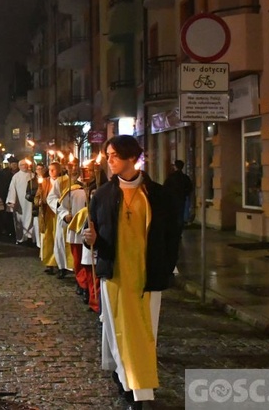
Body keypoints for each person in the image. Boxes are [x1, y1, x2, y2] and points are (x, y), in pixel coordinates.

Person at [83, 135, 179, 409]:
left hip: (148, 276)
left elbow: (172, 235)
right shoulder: (101, 195)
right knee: (120, 332)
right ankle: (138, 390)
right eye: (108, 155)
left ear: (130, 157)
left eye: (113, 155)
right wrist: (92, 239)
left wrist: (169, 266)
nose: (109, 160)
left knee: (145, 334)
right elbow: (100, 238)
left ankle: (129, 381)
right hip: (116, 276)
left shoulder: (158, 195)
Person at [34, 162, 59, 275]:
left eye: (53, 169)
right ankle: (50, 263)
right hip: (47, 214)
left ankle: (60, 264)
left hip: (59, 214)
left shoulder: (63, 181)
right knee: (48, 239)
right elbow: (37, 197)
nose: (51, 172)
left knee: (58, 239)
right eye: (49, 170)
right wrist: (38, 201)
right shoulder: (45, 182)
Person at [5, 158, 34, 245]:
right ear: (19, 166)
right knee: (19, 220)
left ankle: (30, 237)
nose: (24, 166)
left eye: (25, 164)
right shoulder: (16, 177)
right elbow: (12, 189)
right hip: (20, 203)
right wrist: (12, 201)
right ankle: (20, 238)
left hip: (30, 203)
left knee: (31, 219)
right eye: (22, 165)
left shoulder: (32, 175)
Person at [163, 159, 193, 237]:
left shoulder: (171, 177)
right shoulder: (185, 177)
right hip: (181, 199)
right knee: (180, 216)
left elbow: (165, 187)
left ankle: (174, 232)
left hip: (172, 200)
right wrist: (184, 194)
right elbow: (190, 188)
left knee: (173, 216)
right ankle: (179, 232)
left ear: (175, 166)